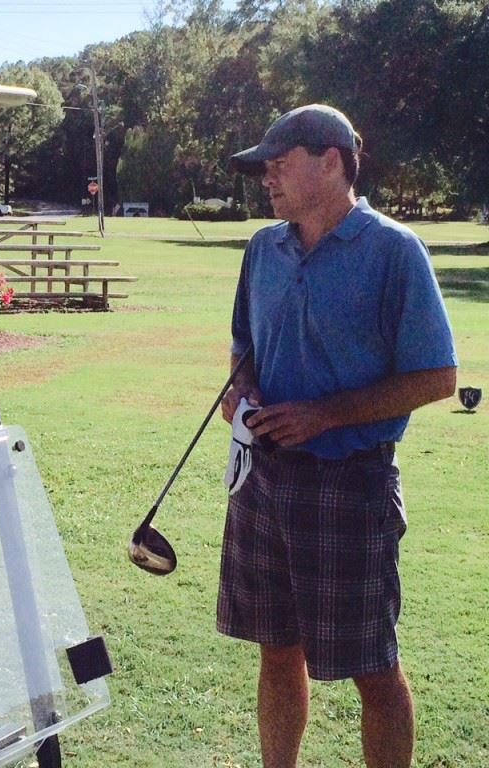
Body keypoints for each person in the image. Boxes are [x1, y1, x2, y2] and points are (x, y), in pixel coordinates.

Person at [218, 105, 457, 768]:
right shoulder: (264, 249)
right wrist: (239, 393)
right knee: (276, 650)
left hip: (350, 486)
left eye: (280, 161)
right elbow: (246, 348)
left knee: (371, 670)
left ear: (331, 161)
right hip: (262, 481)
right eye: (263, 166)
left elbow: (438, 376)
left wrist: (326, 414)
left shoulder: (393, 251)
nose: (267, 177)